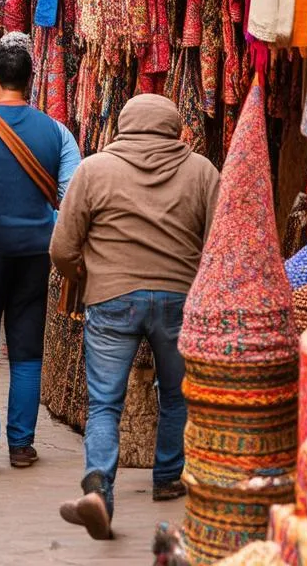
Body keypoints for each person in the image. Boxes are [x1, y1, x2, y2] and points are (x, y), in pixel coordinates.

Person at [50, 94, 220, 540]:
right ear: (171, 127)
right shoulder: (202, 171)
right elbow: (220, 244)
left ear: (124, 125)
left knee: (105, 402)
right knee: (176, 394)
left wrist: (83, 277)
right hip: (178, 298)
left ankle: (99, 488)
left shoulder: (94, 169)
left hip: (111, 298)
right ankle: (167, 476)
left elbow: (62, 248)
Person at [0, 44, 81, 472]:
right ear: (30, 81)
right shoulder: (55, 131)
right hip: (35, 250)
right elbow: (71, 195)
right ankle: (22, 445)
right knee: (26, 347)